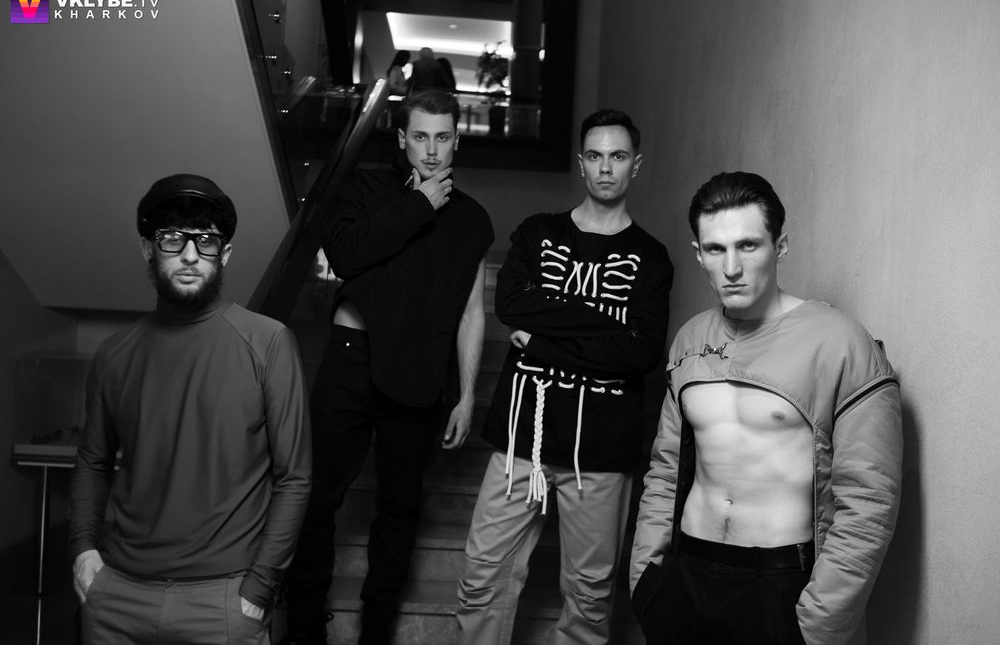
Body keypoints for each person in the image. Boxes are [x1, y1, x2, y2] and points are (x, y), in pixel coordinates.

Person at [630, 171, 903, 644]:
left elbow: (869, 501)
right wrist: (645, 577)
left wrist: (818, 625)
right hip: (685, 577)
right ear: (699, 254)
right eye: (716, 249)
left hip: (782, 588)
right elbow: (665, 469)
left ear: (781, 246)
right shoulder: (690, 339)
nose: (731, 267)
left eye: (748, 245)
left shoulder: (841, 343)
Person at [282, 89, 494, 645]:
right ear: (402, 139)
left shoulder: (473, 220)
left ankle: (376, 631)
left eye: (442, 137)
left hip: (419, 372)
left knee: (399, 509)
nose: (431, 150)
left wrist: (468, 394)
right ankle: (304, 628)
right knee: (316, 498)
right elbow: (346, 254)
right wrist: (420, 203)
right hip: (352, 361)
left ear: (457, 141)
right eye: (420, 136)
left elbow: (471, 311)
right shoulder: (364, 189)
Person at [456, 109, 674, 645]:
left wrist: (542, 339)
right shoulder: (538, 233)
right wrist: (608, 326)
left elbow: (642, 351)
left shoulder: (650, 258)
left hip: (599, 452)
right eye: (595, 156)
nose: (606, 168)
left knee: (589, 599)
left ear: (636, 165)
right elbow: (510, 303)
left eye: (618, 156)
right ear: (581, 163)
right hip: (520, 441)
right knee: (481, 578)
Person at [69, 174, 312, 644]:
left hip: (223, 601)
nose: (189, 254)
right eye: (171, 238)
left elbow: (295, 477)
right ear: (148, 249)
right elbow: (92, 461)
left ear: (225, 254)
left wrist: (261, 586)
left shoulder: (268, 342)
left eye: (205, 240)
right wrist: (82, 550)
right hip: (117, 598)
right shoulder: (114, 354)